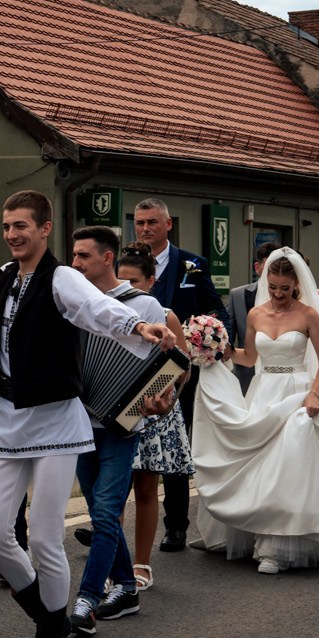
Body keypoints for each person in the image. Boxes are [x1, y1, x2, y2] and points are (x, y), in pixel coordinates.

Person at [0, 192, 173, 638]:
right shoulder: (3, 278)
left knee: (46, 538)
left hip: (55, 423)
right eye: (6, 226)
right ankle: (49, 620)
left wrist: (139, 325)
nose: (12, 234)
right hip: (8, 419)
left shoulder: (63, 278)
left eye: (21, 226)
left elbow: (98, 310)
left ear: (46, 229)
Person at [190, 249, 319, 572]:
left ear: (295, 285)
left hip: (298, 393)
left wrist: (314, 394)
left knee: (289, 457)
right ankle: (256, 530)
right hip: (263, 393)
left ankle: (277, 546)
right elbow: (250, 357)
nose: (277, 294)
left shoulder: (308, 314)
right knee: (259, 465)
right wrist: (219, 349)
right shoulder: (257, 314)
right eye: (272, 286)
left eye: (284, 288)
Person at [66, 228, 180, 637]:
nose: (75, 263)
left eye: (83, 256)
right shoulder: (72, 303)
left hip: (122, 422)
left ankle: (87, 600)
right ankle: (128, 590)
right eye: (73, 256)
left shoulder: (145, 305)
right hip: (78, 422)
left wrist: (160, 398)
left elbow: (171, 367)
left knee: (104, 512)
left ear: (107, 258)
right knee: (101, 511)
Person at [134, 197, 224, 553]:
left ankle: (175, 526)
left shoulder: (192, 264)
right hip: (130, 368)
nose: (144, 229)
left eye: (152, 222)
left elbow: (214, 308)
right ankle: (104, 523)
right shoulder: (126, 261)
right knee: (125, 444)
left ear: (167, 224)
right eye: (139, 222)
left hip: (175, 369)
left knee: (172, 444)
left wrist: (210, 336)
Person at [120, 244, 193, 592]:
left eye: (133, 282)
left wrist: (164, 393)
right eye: (120, 281)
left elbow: (183, 369)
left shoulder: (165, 315)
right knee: (113, 493)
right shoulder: (105, 311)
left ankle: (141, 563)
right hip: (114, 411)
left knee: (147, 488)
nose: (125, 288)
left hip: (151, 412)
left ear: (151, 281)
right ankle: (113, 563)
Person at [228, 243, 276, 394]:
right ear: (257, 267)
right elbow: (229, 337)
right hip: (246, 378)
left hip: (281, 379)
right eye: (269, 267)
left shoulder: (296, 301)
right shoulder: (238, 295)